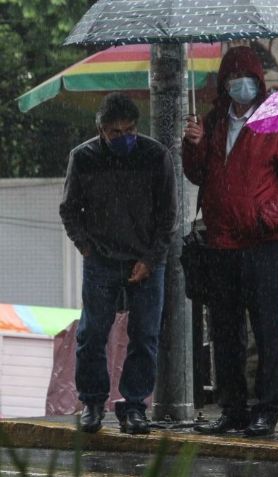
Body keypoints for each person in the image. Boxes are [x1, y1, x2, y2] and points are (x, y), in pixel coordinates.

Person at [183, 46, 278, 437]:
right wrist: (192, 145)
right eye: (233, 78)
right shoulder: (213, 123)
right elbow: (198, 174)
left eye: (248, 78)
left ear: (258, 82)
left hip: (263, 244)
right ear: (225, 84)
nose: (240, 85)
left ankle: (266, 408)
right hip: (221, 244)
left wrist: (265, 216)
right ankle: (233, 408)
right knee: (225, 332)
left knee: (267, 328)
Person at [60, 92, 177, 435]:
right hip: (100, 260)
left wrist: (151, 259)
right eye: (116, 133)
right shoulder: (82, 158)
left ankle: (135, 405)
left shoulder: (156, 156)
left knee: (145, 336)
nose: (124, 138)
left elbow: (167, 215)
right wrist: (85, 247)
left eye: (130, 130)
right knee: (93, 334)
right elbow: (69, 210)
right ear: (101, 130)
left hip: (145, 260)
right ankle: (93, 403)